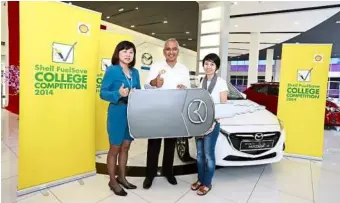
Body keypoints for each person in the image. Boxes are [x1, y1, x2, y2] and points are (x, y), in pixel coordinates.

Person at [143, 38, 190, 189]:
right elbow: (146, 85)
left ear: (178, 51)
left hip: (174, 111)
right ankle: (149, 174)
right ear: (164, 51)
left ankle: (168, 172)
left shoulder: (183, 69)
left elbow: (188, 89)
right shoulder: (156, 65)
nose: (171, 52)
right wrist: (153, 83)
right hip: (157, 109)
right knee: (154, 144)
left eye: (174, 49)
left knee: (170, 144)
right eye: (168, 49)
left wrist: (184, 88)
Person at [100, 41, 141, 196]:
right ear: (118, 53)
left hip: (131, 113)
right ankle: (112, 181)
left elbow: (139, 91)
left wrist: (137, 93)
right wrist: (118, 94)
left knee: (126, 147)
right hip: (117, 112)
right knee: (115, 148)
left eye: (131, 52)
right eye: (124, 51)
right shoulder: (112, 70)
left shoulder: (135, 72)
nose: (128, 54)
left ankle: (122, 177)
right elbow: (103, 93)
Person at [190, 53, 228, 196]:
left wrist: (215, 119)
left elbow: (223, 104)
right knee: (199, 154)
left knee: (208, 155)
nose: (208, 66)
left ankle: (207, 183)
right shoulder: (201, 81)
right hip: (199, 123)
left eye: (212, 64)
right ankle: (200, 180)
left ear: (216, 67)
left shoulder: (221, 82)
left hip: (213, 123)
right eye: (206, 63)